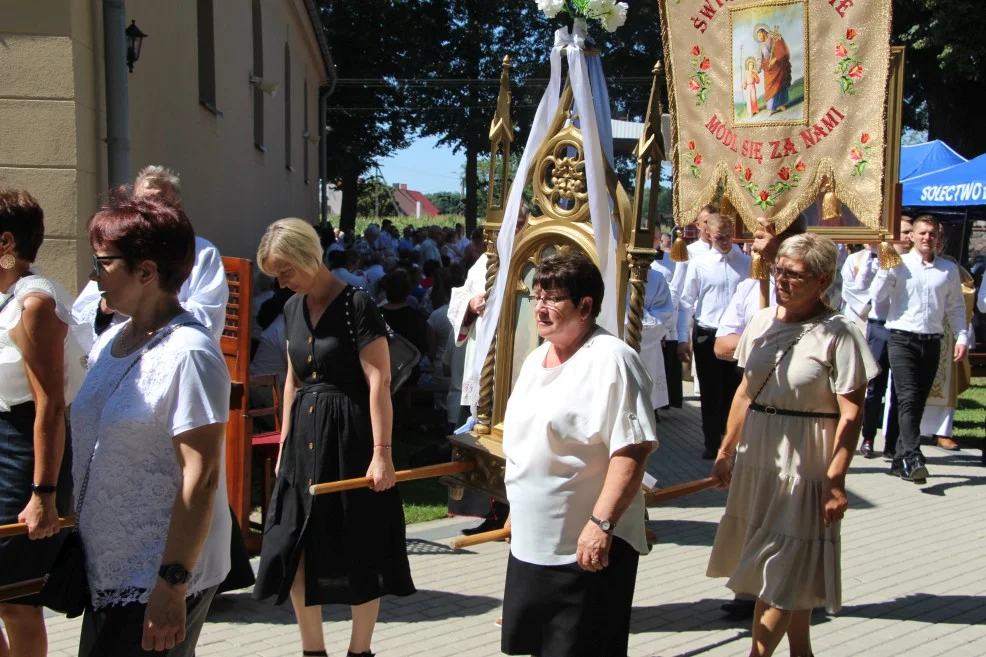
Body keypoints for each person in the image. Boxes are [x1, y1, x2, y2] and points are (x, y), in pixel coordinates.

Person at [73, 194, 232, 656]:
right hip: (105, 568)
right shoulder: (111, 342)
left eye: (102, 262)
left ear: (146, 272)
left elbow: (201, 477)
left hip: (155, 575)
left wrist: (172, 585)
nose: (93, 274)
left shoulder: (190, 353)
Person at [707, 233, 878, 657]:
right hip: (758, 456)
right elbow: (746, 393)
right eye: (778, 270)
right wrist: (726, 451)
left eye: (793, 274)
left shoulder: (841, 333)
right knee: (787, 570)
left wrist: (836, 479)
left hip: (806, 464)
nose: (781, 280)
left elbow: (852, 414)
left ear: (822, 280)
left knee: (779, 570)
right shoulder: (762, 321)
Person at [252, 219, 415, 657]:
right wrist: (285, 437)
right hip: (303, 435)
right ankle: (313, 651)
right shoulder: (290, 309)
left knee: (359, 543)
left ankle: (359, 651)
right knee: (292, 545)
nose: (282, 282)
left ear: (309, 255)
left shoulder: (356, 304)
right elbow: (292, 378)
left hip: (351, 438)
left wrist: (382, 454)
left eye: (285, 271)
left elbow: (378, 381)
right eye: (275, 275)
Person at [500, 251, 657, 657]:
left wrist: (601, 524)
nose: (540, 307)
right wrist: (519, 505)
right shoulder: (537, 358)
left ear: (586, 306)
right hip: (534, 545)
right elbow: (531, 442)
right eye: (537, 296)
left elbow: (632, 449)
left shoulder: (612, 360)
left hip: (585, 549)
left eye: (552, 298)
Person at [0, 189, 87, 657]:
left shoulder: (34, 303)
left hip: (22, 457)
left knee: (16, 601)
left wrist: (44, 495)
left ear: (5, 241)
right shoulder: (5, 297)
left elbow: (51, 404)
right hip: (3, 443)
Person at [72, 166, 228, 344]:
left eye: (159, 202)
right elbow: (81, 316)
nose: (148, 211)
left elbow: (207, 317)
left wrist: (138, 309)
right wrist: (104, 307)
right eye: (141, 203)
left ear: (177, 206)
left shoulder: (202, 252)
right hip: (116, 347)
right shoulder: (119, 250)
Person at [871, 215, 967, 483]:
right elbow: (877, 296)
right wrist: (885, 268)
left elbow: (956, 308)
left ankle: (900, 458)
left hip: (932, 341)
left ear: (939, 237)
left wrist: (961, 338)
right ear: (911, 236)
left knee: (917, 401)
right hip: (902, 338)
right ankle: (913, 456)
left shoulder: (947, 269)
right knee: (908, 397)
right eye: (922, 233)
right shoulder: (899, 264)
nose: (928, 238)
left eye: (932, 234)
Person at [677, 213, 752, 459]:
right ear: (708, 234)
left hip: (735, 335)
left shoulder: (746, 263)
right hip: (707, 334)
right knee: (710, 392)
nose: (726, 241)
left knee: (734, 389)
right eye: (720, 237)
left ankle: (729, 438)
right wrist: (681, 338)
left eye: (730, 236)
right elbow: (687, 302)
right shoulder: (699, 264)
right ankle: (711, 442)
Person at [842, 218, 912, 459]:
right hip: (878, 325)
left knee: (900, 390)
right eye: (903, 232)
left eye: (907, 232)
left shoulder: (911, 263)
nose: (907, 237)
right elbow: (861, 292)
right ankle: (869, 436)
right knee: (874, 387)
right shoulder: (862, 259)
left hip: (904, 329)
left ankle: (892, 443)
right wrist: (877, 261)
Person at [379, 268, 433, 386]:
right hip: (408, 372)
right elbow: (425, 347)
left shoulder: (375, 315)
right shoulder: (417, 317)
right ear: (407, 291)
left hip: (382, 372)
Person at [755, 24, 792, 114]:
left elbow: (781, 50)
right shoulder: (761, 46)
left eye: (760, 35)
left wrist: (775, 59)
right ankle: (772, 107)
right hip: (768, 68)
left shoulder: (773, 39)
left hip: (777, 66)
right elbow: (760, 58)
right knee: (769, 87)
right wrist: (758, 69)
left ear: (763, 33)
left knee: (779, 85)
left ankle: (781, 104)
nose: (759, 37)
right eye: (758, 36)